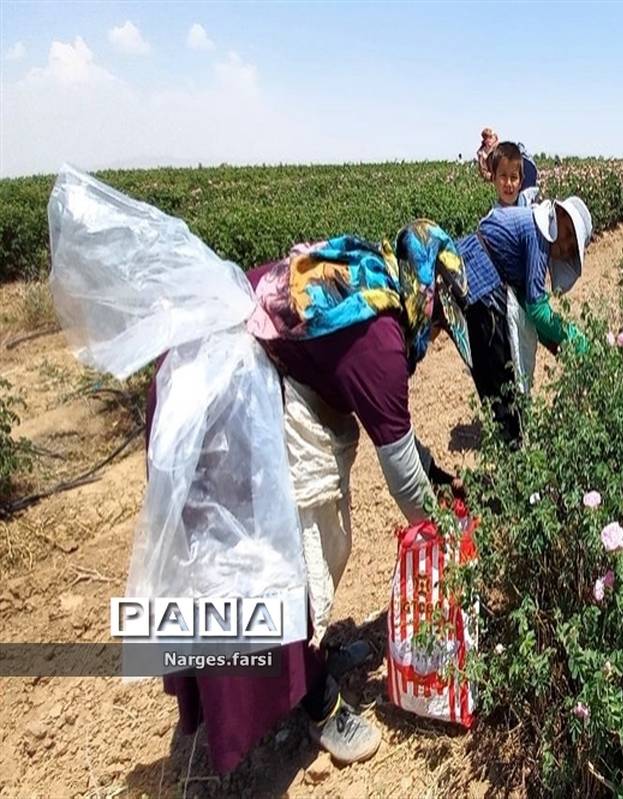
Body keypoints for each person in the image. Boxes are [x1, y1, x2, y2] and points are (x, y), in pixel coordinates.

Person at [154, 222, 472, 773]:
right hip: (222, 400)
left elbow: (394, 431)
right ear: (428, 294)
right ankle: (319, 702)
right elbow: (402, 479)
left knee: (307, 546)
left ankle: (308, 659)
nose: (439, 333)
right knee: (282, 559)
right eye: (443, 320)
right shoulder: (380, 342)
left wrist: (440, 476)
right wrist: (446, 529)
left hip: (232, 370)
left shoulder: (374, 287)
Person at [454, 198, 592, 442]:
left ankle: (508, 441)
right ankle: (513, 451)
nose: (566, 244)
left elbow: (529, 304)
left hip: (472, 275)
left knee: (492, 377)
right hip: (482, 285)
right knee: (501, 377)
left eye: (571, 246)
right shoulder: (537, 236)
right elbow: (537, 310)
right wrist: (572, 336)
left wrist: (557, 345)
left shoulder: (533, 226)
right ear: (558, 212)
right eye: (569, 233)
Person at [488, 141, 540, 208]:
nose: (508, 183)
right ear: (494, 178)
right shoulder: (492, 217)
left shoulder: (531, 213)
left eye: (513, 177)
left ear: (521, 181)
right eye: (503, 176)